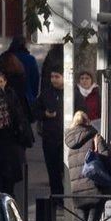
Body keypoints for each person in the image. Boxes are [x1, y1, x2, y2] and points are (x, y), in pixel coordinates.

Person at [64, 111, 106, 221]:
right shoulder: (95, 136)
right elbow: (106, 157)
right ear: (88, 121)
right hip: (94, 185)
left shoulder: (71, 143)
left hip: (77, 189)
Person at [35, 70, 68, 199]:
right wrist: (44, 114)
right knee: (53, 171)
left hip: (66, 137)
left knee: (64, 169)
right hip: (50, 138)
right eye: (52, 76)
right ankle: (57, 198)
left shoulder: (72, 92)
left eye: (57, 76)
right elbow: (35, 110)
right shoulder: (46, 93)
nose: (54, 79)